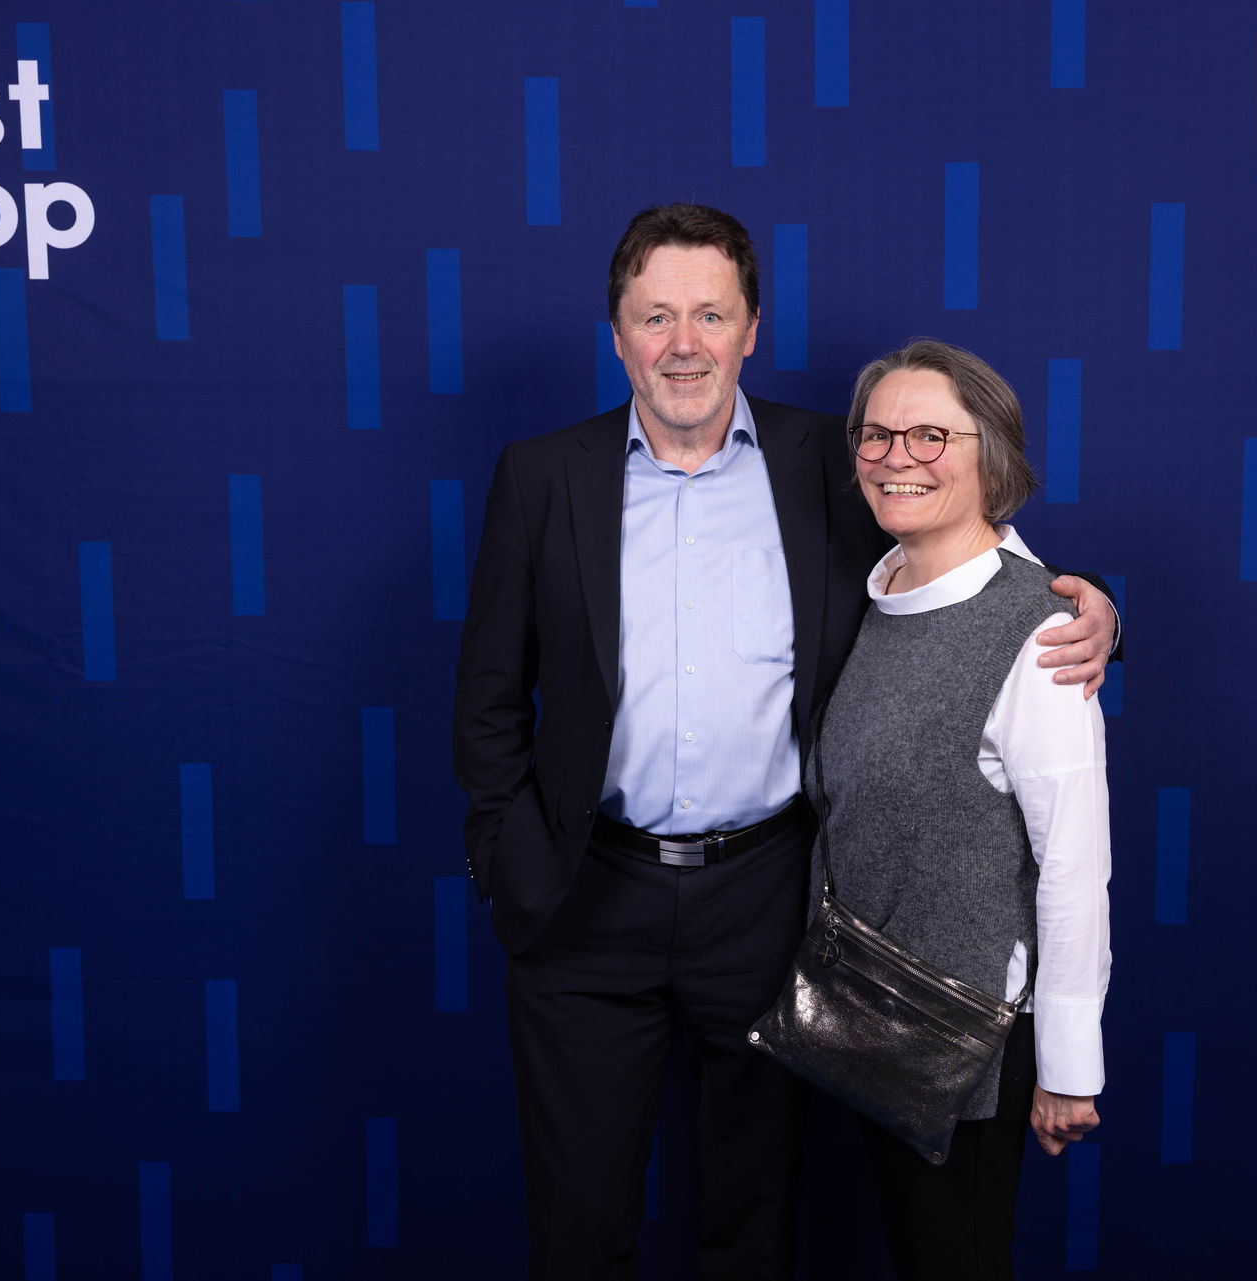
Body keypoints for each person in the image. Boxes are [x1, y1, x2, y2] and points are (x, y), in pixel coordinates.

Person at [450, 204, 1119, 1280]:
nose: (684, 344)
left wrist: (1093, 615)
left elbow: (955, 553)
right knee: (577, 1226)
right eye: (656, 316)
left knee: (756, 1222)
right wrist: (507, 858)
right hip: (587, 902)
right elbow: (487, 696)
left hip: (768, 902)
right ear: (617, 334)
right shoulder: (541, 476)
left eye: (711, 314)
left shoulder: (831, 460)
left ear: (751, 328)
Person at [809, 339, 1111, 1279]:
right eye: (876, 434)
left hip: (970, 1033)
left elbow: (1074, 863)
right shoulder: (881, 592)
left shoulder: (1043, 633)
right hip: (873, 1013)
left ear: (993, 455)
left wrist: (1068, 1066)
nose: (896, 456)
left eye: (931, 435)